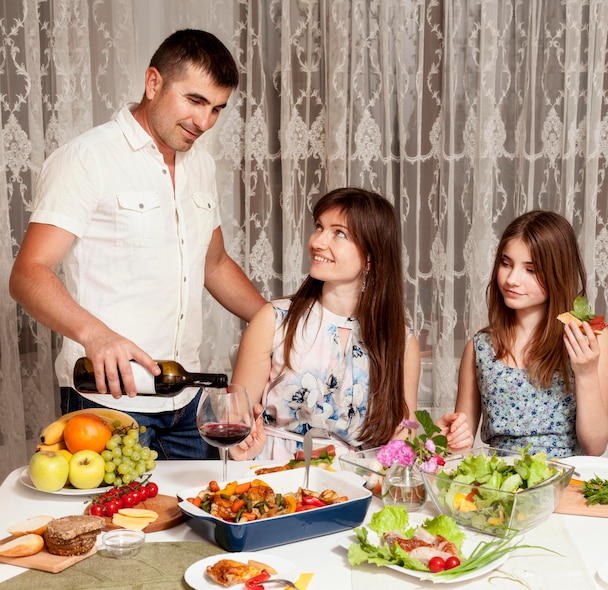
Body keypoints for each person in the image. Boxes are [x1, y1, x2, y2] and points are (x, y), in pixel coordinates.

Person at [9, 30, 266, 459]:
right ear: (153, 83)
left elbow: (215, 264)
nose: (204, 123)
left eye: (217, 109)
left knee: (196, 522)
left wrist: (281, 325)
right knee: (113, 528)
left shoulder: (200, 164)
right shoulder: (87, 159)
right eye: (195, 101)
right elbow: (27, 273)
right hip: (107, 404)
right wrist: (96, 335)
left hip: (187, 405)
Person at [229, 187, 472, 461]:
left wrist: (434, 438)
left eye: (339, 233)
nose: (318, 242)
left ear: (370, 257)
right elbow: (237, 427)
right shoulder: (273, 320)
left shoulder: (400, 342)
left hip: (357, 483)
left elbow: (402, 437)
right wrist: (245, 444)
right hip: (277, 479)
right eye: (319, 227)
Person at [455, 210, 608, 458]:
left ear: (557, 274)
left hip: (566, 482)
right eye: (506, 264)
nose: (512, 279)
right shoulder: (480, 347)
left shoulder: (589, 338)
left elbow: (596, 447)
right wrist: (449, 438)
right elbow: (459, 445)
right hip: (501, 486)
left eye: (530, 270)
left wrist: (586, 373)